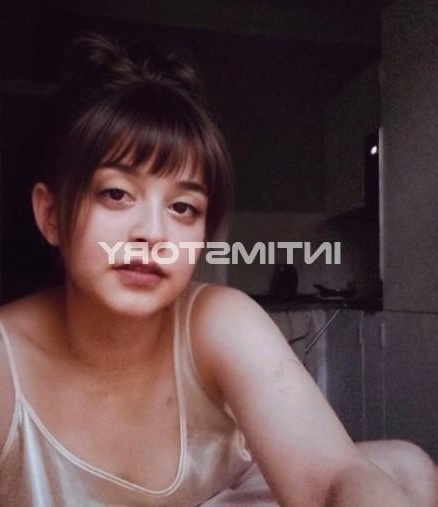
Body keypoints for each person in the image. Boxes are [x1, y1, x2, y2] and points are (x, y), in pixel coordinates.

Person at [0, 32, 437, 507]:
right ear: (50, 215)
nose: (153, 234)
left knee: (408, 467)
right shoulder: (7, 360)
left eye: (183, 207)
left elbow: (332, 479)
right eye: (116, 194)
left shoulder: (218, 320)